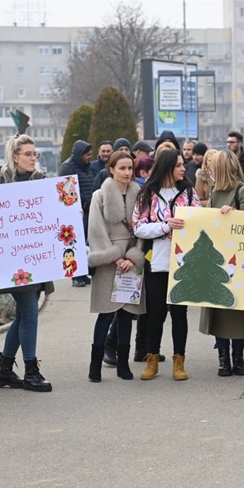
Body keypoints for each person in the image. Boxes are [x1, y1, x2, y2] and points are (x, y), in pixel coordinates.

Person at [0, 135, 53, 392]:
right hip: (12, 263)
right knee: (29, 314)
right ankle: (30, 371)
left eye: (34, 153)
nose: (33, 157)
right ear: (14, 156)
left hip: (36, 260)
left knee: (24, 315)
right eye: (27, 153)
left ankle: (4, 368)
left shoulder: (43, 182)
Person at [132, 149, 201, 381]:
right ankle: (152, 359)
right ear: (168, 167)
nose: (184, 168)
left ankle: (179, 361)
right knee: (156, 314)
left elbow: (202, 221)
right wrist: (165, 226)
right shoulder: (147, 193)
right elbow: (138, 226)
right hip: (156, 262)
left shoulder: (189, 192)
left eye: (184, 164)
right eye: (179, 165)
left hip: (184, 263)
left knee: (180, 314)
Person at [198, 150, 244, 376]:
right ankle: (223, 357)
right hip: (216, 260)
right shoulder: (214, 194)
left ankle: (238, 356)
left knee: (239, 312)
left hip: (239, 261)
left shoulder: (243, 191)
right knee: (218, 312)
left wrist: (234, 214)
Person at [87, 151, 145, 382]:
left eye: (130, 168)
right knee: (105, 313)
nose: (127, 173)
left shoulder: (139, 194)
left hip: (131, 261)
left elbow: (143, 226)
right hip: (108, 259)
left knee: (126, 313)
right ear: (111, 169)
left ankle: (123, 362)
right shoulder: (100, 195)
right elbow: (95, 229)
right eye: (122, 168)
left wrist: (133, 256)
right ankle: (95, 364)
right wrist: (113, 256)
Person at [59, 140, 94, 287]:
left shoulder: (87, 167)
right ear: (80, 155)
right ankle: (76, 276)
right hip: (75, 213)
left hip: (88, 211)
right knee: (75, 245)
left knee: (84, 244)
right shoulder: (67, 168)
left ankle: (83, 273)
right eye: (87, 155)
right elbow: (66, 192)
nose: (89, 158)